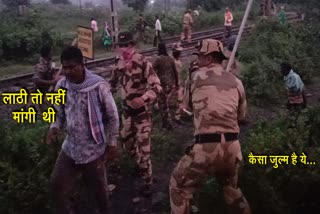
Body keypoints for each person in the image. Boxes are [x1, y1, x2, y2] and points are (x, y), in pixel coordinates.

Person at [169, 39, 251, 214]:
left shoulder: (194, 77)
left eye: (199, 56)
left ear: (208, 57)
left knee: (178, 188)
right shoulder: (237, 82)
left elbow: (187, 107)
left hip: (206, 147)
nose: (197, 60)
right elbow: (242, 117)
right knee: (231, 190)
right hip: (232, 148)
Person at [47, 46, 120, 214]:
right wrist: (54, 127)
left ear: (82, 65)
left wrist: (112, 143)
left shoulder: (98, 86)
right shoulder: (61, 86)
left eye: (72, 67)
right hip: (70, 148)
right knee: (56, 186)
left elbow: (113, 116)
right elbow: (57, 111)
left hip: (93, 150)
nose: (68, 71)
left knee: (100, 194)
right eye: (65, 67)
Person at [110, 32, 162, 197]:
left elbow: (156, 87)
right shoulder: (118, 64)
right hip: (126, 115)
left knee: (144, 151)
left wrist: (144, 97)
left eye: (127, 46)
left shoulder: (143, 63)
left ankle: (148, 183)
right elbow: (111, 85)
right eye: (121, 46)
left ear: (133, 46)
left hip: (142, 116)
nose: (124, 49)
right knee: (127, 144)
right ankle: (139, 164)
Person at [153, 42, 179, 130]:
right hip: (170, 84)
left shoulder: (158, 59)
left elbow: (152, 70)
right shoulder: (170, 59)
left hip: (162, 85)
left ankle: (167, 124)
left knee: (163, 105)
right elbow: (175, 72)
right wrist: (177, 84)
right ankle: (168, 122)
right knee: (166, 104)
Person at [280, 62, 306, 127]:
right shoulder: (287, 77)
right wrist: (289, 100)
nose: (281, 70)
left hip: (298, 101)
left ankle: (294, 129)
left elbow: (300, 90)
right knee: (293, 116)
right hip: (293, 100)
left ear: (287, 70)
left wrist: (304, 101)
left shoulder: (294, 77)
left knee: (294, 117)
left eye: (282, 69)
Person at [171, 43, 185, 124]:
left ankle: (177, 116)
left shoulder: (177, 60)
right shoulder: (172, 61)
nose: (179, 53)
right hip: (173, 84)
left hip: (178, 83)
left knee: (180, 100)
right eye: (178, 51)